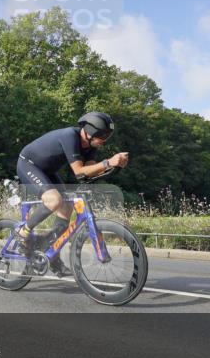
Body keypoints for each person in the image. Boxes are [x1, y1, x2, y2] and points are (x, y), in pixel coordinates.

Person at [11, 112, 129, 277]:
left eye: (106, 136)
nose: (104, 140)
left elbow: (88, 174)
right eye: (102, 135)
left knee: (66, 208)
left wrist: (113, 166)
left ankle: (50, 252)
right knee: (54, 201)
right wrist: (108, 162)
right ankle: (22, 232)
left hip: (47, 171)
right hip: (28, 164)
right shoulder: (70, 136)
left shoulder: (90, 146)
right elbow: (79, 171)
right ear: (89, 131)